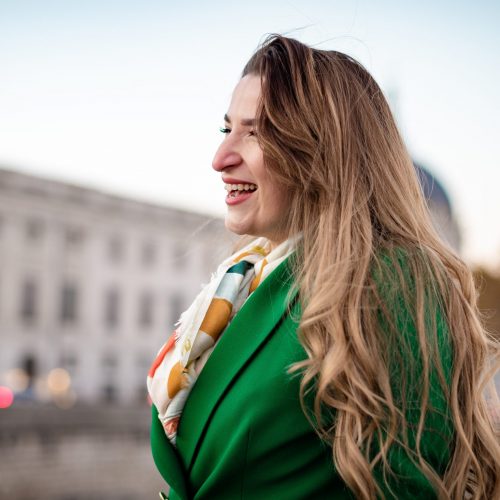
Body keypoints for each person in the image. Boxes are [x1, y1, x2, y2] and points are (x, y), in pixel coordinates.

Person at [147, 34, 500, 499]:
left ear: (323, 151)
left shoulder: (390, 281)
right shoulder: (245, 282)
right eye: (226, 129)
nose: (221, 158)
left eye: (256, 133)